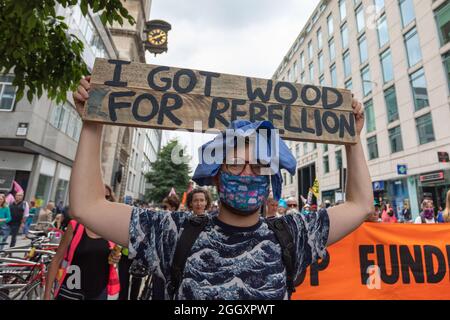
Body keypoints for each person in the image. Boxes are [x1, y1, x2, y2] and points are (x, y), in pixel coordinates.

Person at [70, 76, 372, 300]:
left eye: (257, 167)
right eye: (235, 164)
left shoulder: (292, 235)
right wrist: (91, 123)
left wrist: (353, 140)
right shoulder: (173, 233)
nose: (246, 173)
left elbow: (360, 205)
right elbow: (87, 206)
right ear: (216, 175)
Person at [44, 185, 121, 300]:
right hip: (71, 292)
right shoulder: (75, 226)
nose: (103, 202)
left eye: (107, 198)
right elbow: (56, 260)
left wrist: (116, 257)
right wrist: (46, 296)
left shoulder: (111, 229)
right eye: (98, 198)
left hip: (99, 293)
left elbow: (111, 257)